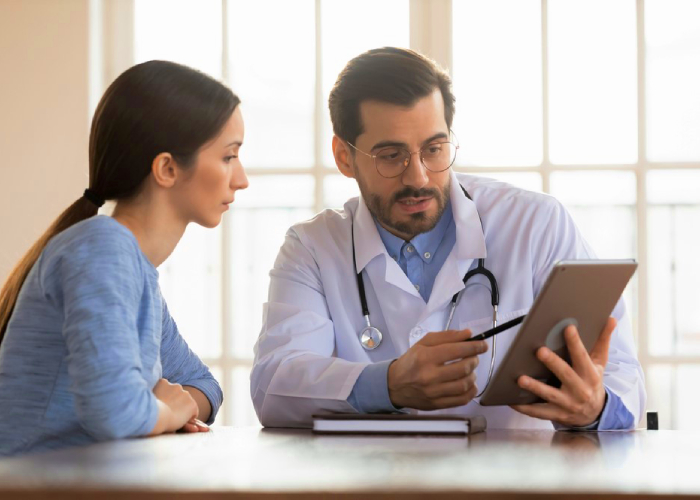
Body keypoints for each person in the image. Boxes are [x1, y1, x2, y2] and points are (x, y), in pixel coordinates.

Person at [251, 47, 645, 430]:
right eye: (391, 155)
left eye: (434, 149)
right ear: (344, 157)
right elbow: (274, 386)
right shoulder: (313, 248)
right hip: (375, 484)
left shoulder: (536, 224)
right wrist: (388, 384)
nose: (418, 177)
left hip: (517, 485)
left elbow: (622, 376)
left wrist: (594, 407)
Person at [0, 60, 248, 455]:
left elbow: (205, 387)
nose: (242, 179)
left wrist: (163, 407)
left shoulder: (134, 269)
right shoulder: (101, 250)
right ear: (167, 168)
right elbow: (116, 413)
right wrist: (162, 410)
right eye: (228, 157)